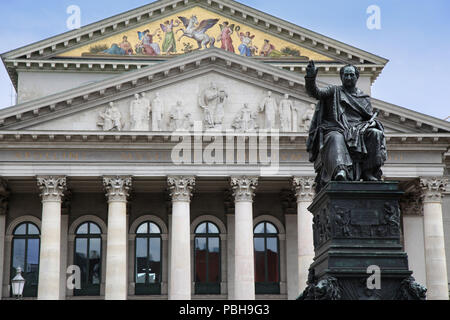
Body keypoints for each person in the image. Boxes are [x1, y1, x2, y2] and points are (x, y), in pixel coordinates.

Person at [305, 60, 387, 192]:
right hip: (337, 128)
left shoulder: (363, 98)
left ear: (356, 77)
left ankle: (369, 172)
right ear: (341, 77)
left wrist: (372, 123)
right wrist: (310, 78)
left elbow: (368, 117)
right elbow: (316, 93)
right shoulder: (334, 91)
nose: (348, 78)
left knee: (375, 133)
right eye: (346, 75)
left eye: (351, 75)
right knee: (335, 137)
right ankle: (341, 170)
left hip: (359, 130)